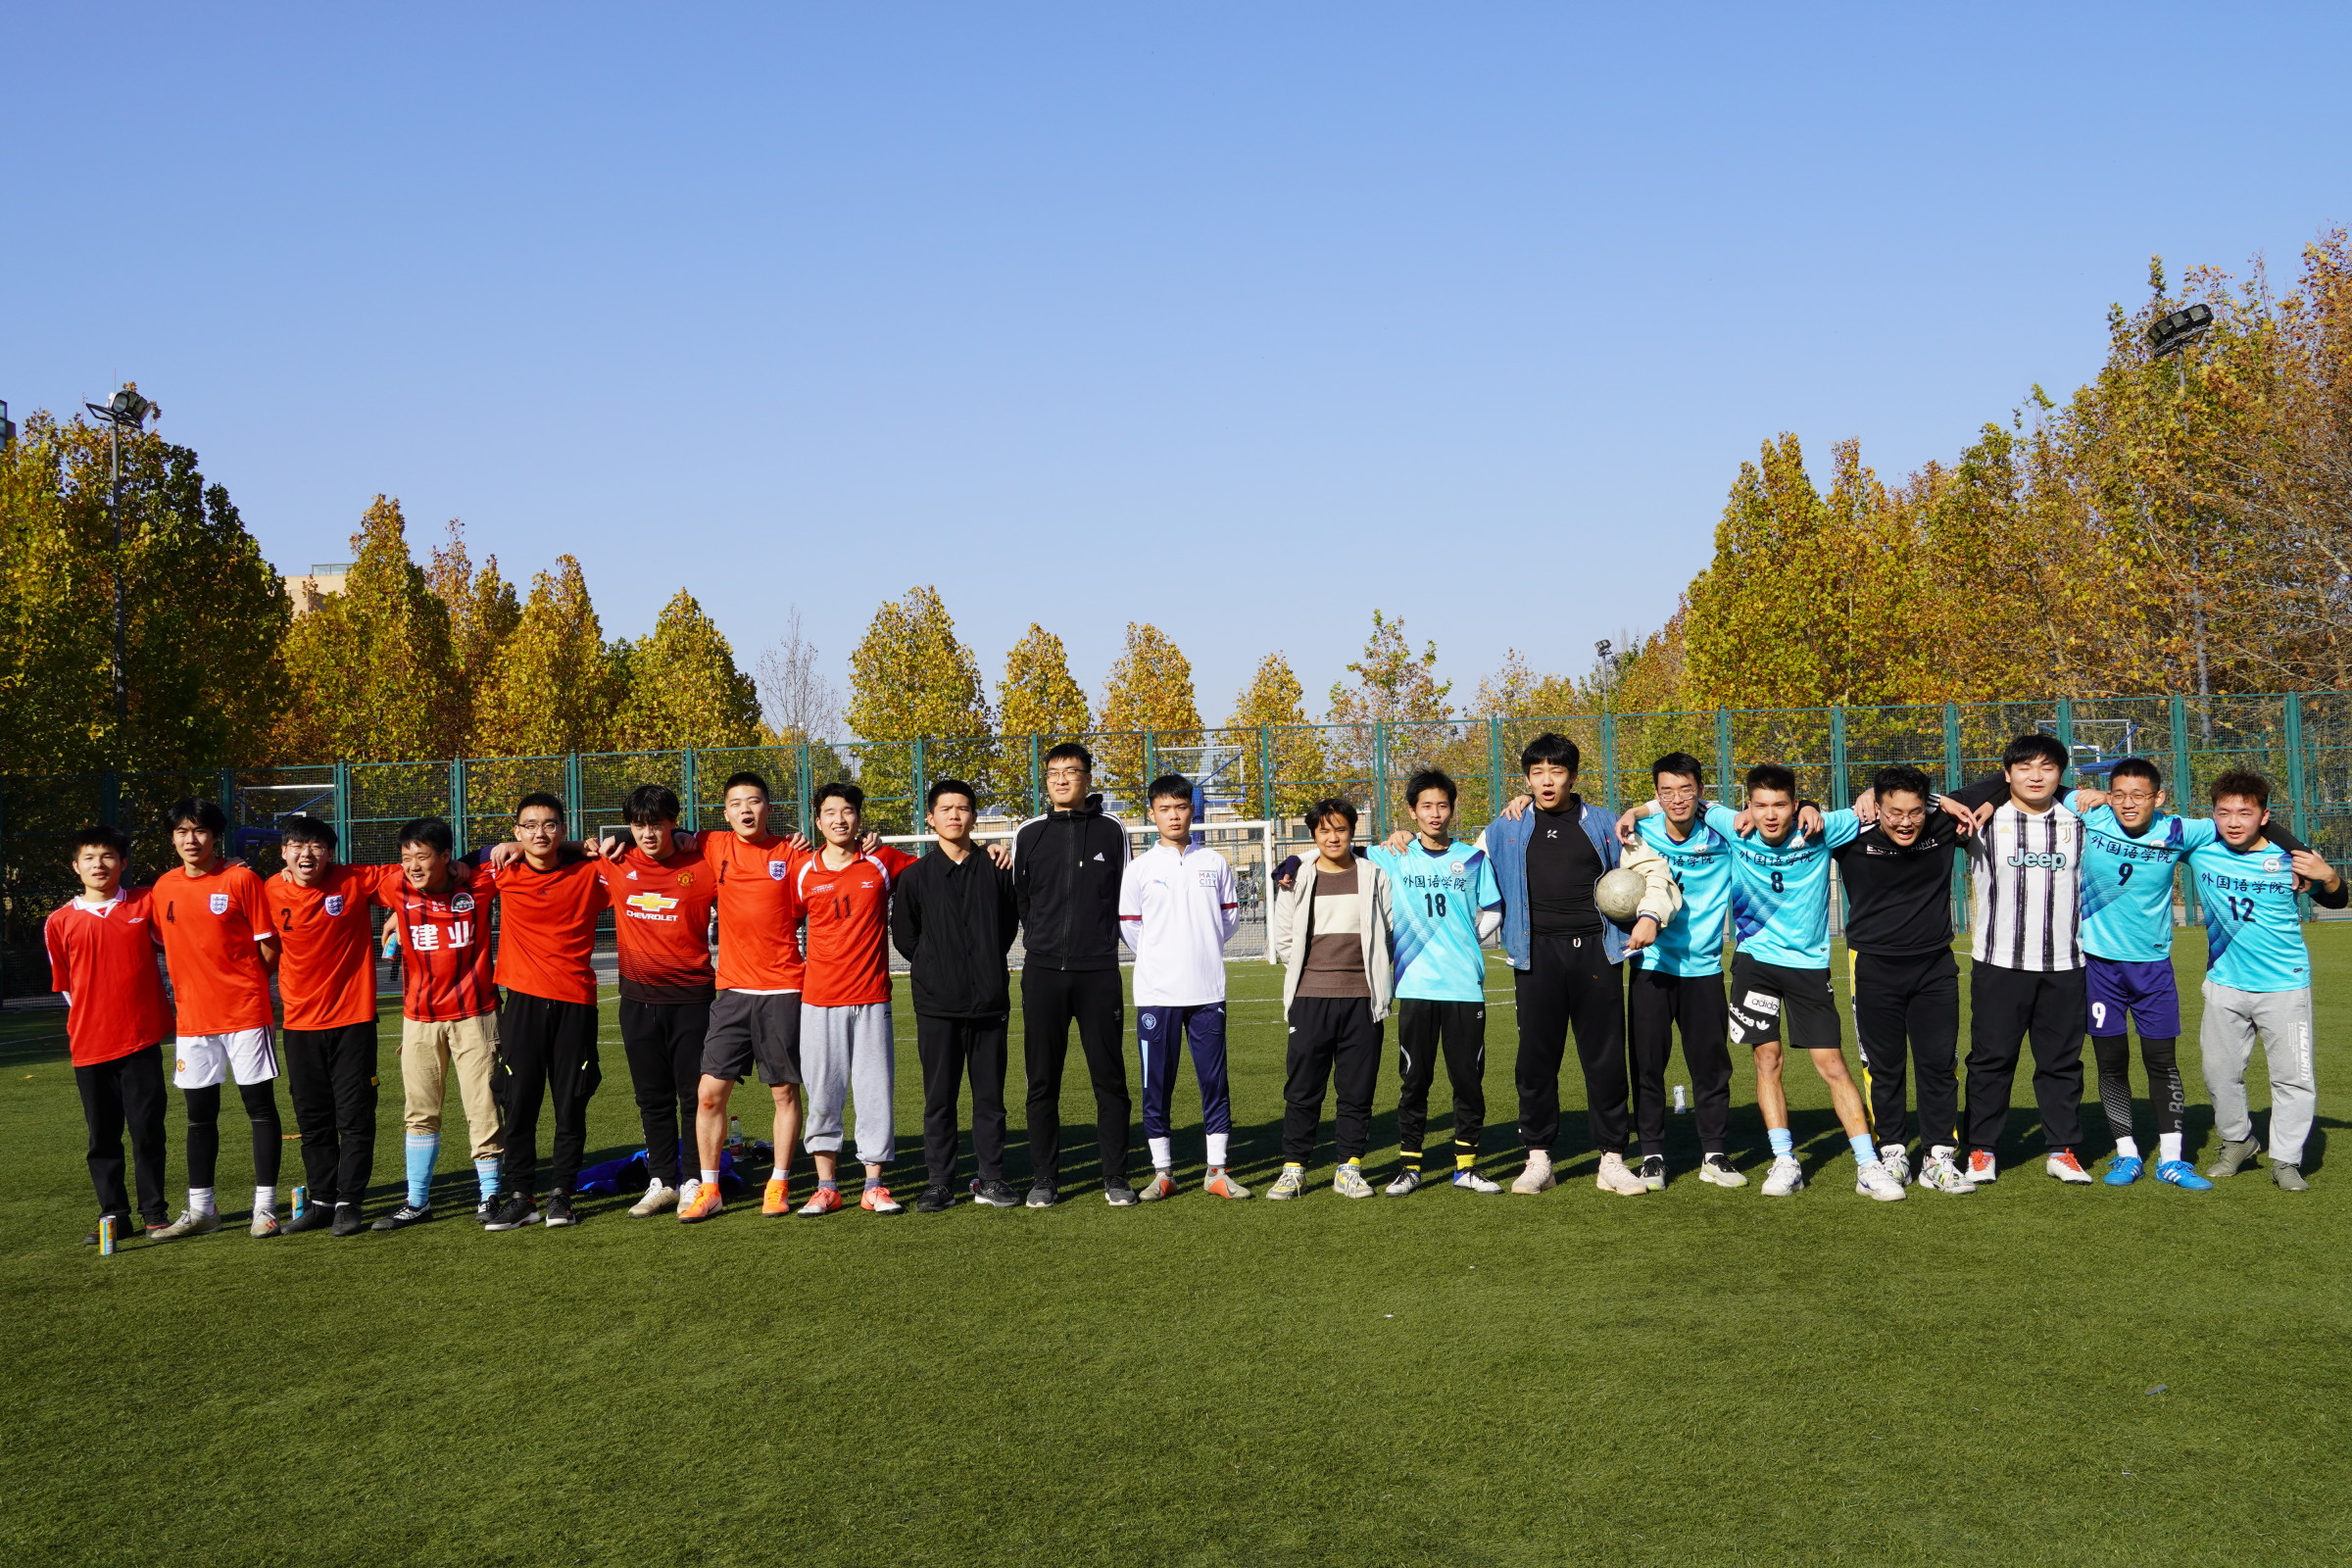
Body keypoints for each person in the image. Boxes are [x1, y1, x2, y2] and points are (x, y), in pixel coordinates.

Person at [1991, 759, 2312, 1190]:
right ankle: (2126, 1155)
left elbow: (2248, 817)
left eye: (2139, 795)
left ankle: (2173, 1160)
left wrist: (2301, 856)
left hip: (2153, 969)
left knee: (2162, 1062)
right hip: (2100, 967)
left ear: (2158, 798)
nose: (2128, 804)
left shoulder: (2181, 830)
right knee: (2111, 1063)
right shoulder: (2092, 813)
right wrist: (2094, 796)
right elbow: (2034, 784)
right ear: (2109, 795)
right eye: (2119, 794)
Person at [1621, 764, 1895, 1200]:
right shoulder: (1734, 826)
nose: (1770, 815)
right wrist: (1636, 811)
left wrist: (1862, 798)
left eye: (1781, 805)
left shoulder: (1821, 828)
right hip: (1754, 964)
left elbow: (1889, 806)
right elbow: (1684, 801)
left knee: (1832, 1064)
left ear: (1795, 805)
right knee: (1767, 1061)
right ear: (1747, 806)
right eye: (1761, 805)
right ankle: (1784, 1160)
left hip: (1807, 966)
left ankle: (1868, 1164)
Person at [1483, 734, 1677, 1198]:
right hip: (1536, 955)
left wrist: (1651, 915)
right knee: (1536, 1060)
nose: (1547, 781)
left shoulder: (1607, 823)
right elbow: (1460, 866)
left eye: (1556, 771)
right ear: (1527, 779)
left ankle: (1611, 1159)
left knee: (1604, 1059)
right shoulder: (1505, 828)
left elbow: (1654, 871)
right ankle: (1538, 1159)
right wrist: (1403, 841)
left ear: (1572, 776)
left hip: (1596, 953)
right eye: (1537, 773)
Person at [2187, 769, 2346, 1191]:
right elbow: (2147, 824)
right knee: (2219, 1074)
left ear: (2264, 816)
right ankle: (2237, 1141)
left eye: (2245, 812)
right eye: (2224, 813)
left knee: (2293, 1079)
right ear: (2213, 815)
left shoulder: (2290, 857)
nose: (2233, 822)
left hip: (2284, 987)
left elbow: (2337, 897)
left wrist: (2327, 875)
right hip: (2224, 984)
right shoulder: (2202, 849)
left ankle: (2286, 1160)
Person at [1834, 765, 1980, 1195]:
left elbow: (2000, 785)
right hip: (1873, 966)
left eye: (1915, 811)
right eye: (1894, 812)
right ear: (1877, 808)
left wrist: (1937, 802)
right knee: (1883, 1067)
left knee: (1939, 1064)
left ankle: (1939, 1157)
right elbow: (1798, 817)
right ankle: (1893, 1151)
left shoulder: (1942, 824)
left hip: (1935, 966)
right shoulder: (1850, 833)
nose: (1905, 822)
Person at [1957, 734, 2095, 1187]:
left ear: (2061, 774)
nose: (2036, 777)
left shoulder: (2082, 820)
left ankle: (2062, 1149)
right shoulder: (1981, 819)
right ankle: (1981, 1149)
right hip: (2000, 962)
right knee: (1991, 1061)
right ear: (2007, 774)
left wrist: (2095, 796)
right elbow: (1929, 805)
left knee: (2061, 1063)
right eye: (2025, 768)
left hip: (2066, 964)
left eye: (2047, 768)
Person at [148, 797, 286, 1241]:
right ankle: (202, 1210)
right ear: (172, 838)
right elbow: (161, 940)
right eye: (182, 832)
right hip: (192, 1021)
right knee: (198, 1116)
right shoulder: (163, 888)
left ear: (215, 836)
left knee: (259, 1108)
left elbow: (269, 944)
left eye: (200, 830)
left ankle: (264, 1208)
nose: (191, 839)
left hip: (245, 1013)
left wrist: (248, 986)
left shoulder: (241, 879)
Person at [1365, 769, 1505, 1195]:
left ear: (1452, 809)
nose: (1435, 813)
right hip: (1415, 986)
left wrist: (1469, 939)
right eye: (1426, 806)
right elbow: (1340, 854)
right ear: (1412, 811)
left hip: (1463, 986)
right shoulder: (1394, 854)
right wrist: (1290, 865)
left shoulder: (1473, 858)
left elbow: (1493, 910)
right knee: (1414, 1082)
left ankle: (1466, 1168)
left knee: (1468, 1081)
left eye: (1443, 805)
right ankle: (1410, 1168)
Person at [475, 794, 608, 1231]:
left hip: (576, 1003)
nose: (540, 833)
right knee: (519, 1102)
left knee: (571, 1104)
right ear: (516, 832)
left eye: (550, 825)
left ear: (563, 830)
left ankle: (561, 1195)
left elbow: (636, 858)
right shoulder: (503, 871)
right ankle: (521, 1196)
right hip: (524, 1003)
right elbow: (452, 864)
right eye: (529, 826)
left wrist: (580, 848)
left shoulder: (590, 872)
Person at [684, 772, 812, 1222]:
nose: (745, 809)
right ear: (725, 813)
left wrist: (867, 842)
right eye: (736, 803)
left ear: (768, 808)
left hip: (783, 990)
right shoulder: (711, 844)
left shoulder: (792, 854)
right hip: (733, 991)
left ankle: (778, 1184)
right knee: (708, 1095)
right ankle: (710, 1189)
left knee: (783, 1092)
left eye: (754, 801)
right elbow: (656, 834)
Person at [1013, 744, 1137, 1208]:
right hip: (1043, 971)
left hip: (1098, 971)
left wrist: (1100, 943)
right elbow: (1022, 898)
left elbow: (1126, 895)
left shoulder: (1112, 830)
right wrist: (1044, 941)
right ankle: (1044, 1178)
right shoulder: (1028, 833)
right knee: (1042, 1081)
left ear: (1087, 777)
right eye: (1053, 773)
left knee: (1109, 1078)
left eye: (1071, 771)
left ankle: (1116, 1176)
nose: (1061, 780)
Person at [592, 784, 722, 1220]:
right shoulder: (616, 862)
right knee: (651, 1097)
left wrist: (689, 836)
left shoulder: (702, 864)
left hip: (692, 999)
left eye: (657, 824)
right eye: (638, 825)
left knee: (693, 1096)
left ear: (673, 822)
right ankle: (662, 1180)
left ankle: (693, 1180)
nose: (648, 834)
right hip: (636, 1000)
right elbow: (564, 851)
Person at [892, 778, 1021, 1212]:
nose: (954, 815)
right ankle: (939, 1183)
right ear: (930, 818)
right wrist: (937, 966)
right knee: (939, 1099)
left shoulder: (998, 870)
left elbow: (1006, 928)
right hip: (937, 1005)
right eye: (945, 809)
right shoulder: (915, 877)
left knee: (990, 1099)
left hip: (988, 1002)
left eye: (962, 808)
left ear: (974, 816)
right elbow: (906, 937)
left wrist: (982, 962)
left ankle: (991, 1178)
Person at [1119, 773, 1249, 1201]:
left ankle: (1217, 1170)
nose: (1173, 816)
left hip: (1207, 991)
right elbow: (1131, 929)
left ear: (1192, 810)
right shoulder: (1139, 869)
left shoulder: (1215, 862)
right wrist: (1164, 956)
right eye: (1164, 809)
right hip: (1156, 993)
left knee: (1214, 1082)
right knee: (1156, 1085)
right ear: (1152, 814)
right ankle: (1163, 1173)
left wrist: (1199, 948)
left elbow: (1228, 921)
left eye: (1180, 807)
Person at [371, 817, 503, 1230]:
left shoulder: (478, 884)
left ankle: (490, 1195)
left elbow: (519, 851)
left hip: (476, 1016)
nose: (413, 865)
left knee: (483, 1108)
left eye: (422, 856)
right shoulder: (395, 885)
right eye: (406, 857)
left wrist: (474, 859)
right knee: (419, 1112)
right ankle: (417, 1201)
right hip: (419, 1020)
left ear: (445, 856)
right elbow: (339, 877)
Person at [794, 781, 917, 1216]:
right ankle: (826, 1187)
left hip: (871, 997)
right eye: (830, 812)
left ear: (859, 818)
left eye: (847, 811)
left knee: (874, 1093)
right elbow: (781, 921)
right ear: (818, 820)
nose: (839, 819)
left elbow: (938, 870)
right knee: (823, 1095)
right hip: (819, 1001)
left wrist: (990, 853)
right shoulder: (802, 870)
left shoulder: (883, 861)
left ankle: (873, 1186)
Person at [45, 824, 172, 1245]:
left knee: (147, 1130)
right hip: (90, 1045)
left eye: (107, 856)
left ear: (123, 862)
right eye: (89, 857)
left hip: (141, 1039)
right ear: (76, 866)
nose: (98, 864)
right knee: (102, 1137)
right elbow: (66, 987)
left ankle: (154, 1212)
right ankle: (114, 1213)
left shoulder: (145, 903)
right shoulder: (59, 921)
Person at [1623, 754, 1741, 1190]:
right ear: (1656, 794)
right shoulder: (1639, 834)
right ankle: (1652, 1155)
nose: (1677, 799)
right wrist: (1636, 813)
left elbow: (1760, 819)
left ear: (1701, 792)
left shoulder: (1724, 834)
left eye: (1686, 790)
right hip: (1651, 966)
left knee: (1711, 1066)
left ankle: (1714, 1153)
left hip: (1703, 968)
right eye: (1667, 791)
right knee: (1648, 1066)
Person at [270, 815, 391, 1236]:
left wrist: (471, 860)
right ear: (284, 852)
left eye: (317, 846)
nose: (307, 854)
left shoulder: (354, 880)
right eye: (298, 846)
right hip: (299, 1024)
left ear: (330, 853)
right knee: (312, 1119)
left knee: (355, 1117)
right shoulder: (267, 890)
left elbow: (417, 871)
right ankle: (321, 1201)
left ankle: (348, 1202)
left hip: (353, 1021)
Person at [1268, 799, 1395, 1198]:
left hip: (1363, 999)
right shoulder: (1296, 877)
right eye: (1324, 830)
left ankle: (1349, 1168)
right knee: (1303, 1090)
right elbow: (1284, 940)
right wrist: (1311, 975)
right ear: (1313, 835)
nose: (1333, 837)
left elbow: (1389, 929)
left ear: (1352, 832)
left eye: (1340, 829)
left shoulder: (1374, 875)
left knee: (1357, 1091)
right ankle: (1294, 1168)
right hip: (1310, 998)